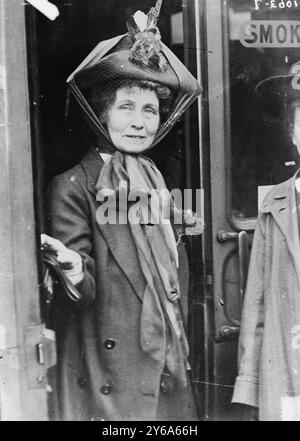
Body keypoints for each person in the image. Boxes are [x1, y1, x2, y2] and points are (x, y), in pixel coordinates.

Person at [42, 3, 202, 421]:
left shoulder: (154, 180)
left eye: (149, 110)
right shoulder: (73, 186)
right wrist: (74, 268)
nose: (139, 123)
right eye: (126, 107)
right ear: (101, 113)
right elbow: (82, 290)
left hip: (166, 370)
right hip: (107, 386)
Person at [232, 62, 300, 421]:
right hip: (286, 376)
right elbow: (256, 306)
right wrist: (249, 386)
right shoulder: (274, 205)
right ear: (292, 132)